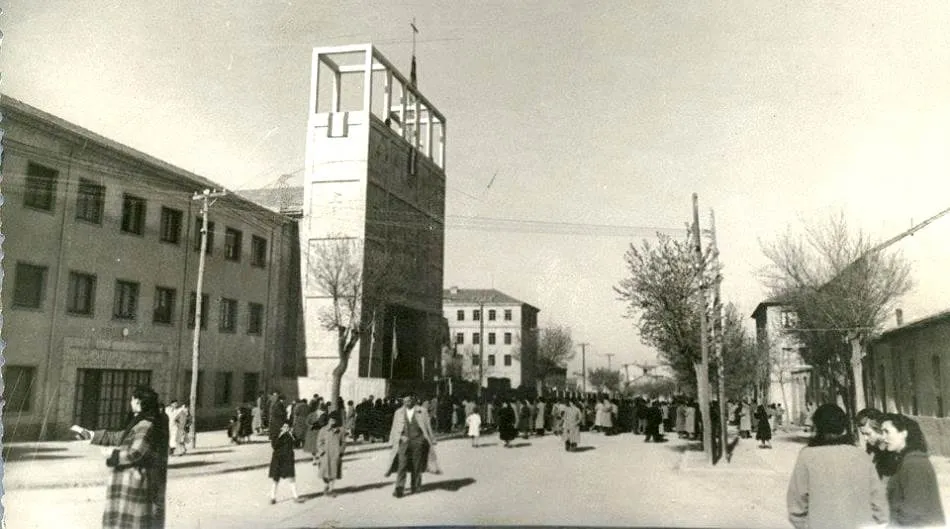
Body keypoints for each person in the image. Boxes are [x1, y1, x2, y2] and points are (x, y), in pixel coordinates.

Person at [73, 385, 170, 529]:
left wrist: (113, 455)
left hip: (136, 483)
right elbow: (120, 436)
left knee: (132, 523)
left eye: (132, 399)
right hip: (131, 482)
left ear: (138, 402)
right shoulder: (140, 420)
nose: (130, 402)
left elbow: (136, 452)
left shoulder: (146, 424)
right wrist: (91, 435)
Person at [786, 403, 888, 529]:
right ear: (844, 428)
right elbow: (879, 504)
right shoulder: (861, 455)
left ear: (817, 427)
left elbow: (796, 508)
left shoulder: (806, 456)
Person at [880, 414, 946, 527]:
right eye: (882, 432)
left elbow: (914, 510)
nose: (883, 438)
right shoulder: (906, 461)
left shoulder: (914, 464)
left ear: (904, 433)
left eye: (887, 432)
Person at [385, 393, 441, 498]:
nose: (407, 403)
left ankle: (416, 485)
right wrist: (394, 439)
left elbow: (427, 426)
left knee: (417, 464)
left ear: (413, 400)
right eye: (405, 401)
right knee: (402, 464)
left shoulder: (422, 411)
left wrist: (431, 438)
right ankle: (399, 488)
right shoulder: (398, 412)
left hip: (417, 441)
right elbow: (394, 427)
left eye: (409, 401)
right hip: (403, 441)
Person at [855, 407, 897, 480]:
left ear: (879, 429)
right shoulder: (872, 447)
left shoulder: (895, 447)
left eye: (868, 434)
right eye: (863, 434)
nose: (865, 438)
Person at [268, 421, 303, 504]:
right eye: (284, 427)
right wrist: (280, 435)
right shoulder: (277, 435)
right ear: (281, 428)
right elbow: (274, 445)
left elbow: (297, 444)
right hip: (278, 459)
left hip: (288, 459)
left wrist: (292, 435)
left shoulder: (291, 436)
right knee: (276, 478)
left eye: (287, 427)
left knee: (291, 477)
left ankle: (295, 496)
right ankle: (272, 497)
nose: (285, 429)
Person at [317, 412, 346, 497]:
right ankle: (326, 484)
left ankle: (331, 489)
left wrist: (341, 451)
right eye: (331, 419)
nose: (333, 421)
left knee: (334, 472)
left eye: (335, 420)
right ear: (329, 420)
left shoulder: (340, 430)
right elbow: (319, 442)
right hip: (325, 454)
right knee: (324, 472)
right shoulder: (323, 430)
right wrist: (321, 451)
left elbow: (343, 442)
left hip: (335, 454)